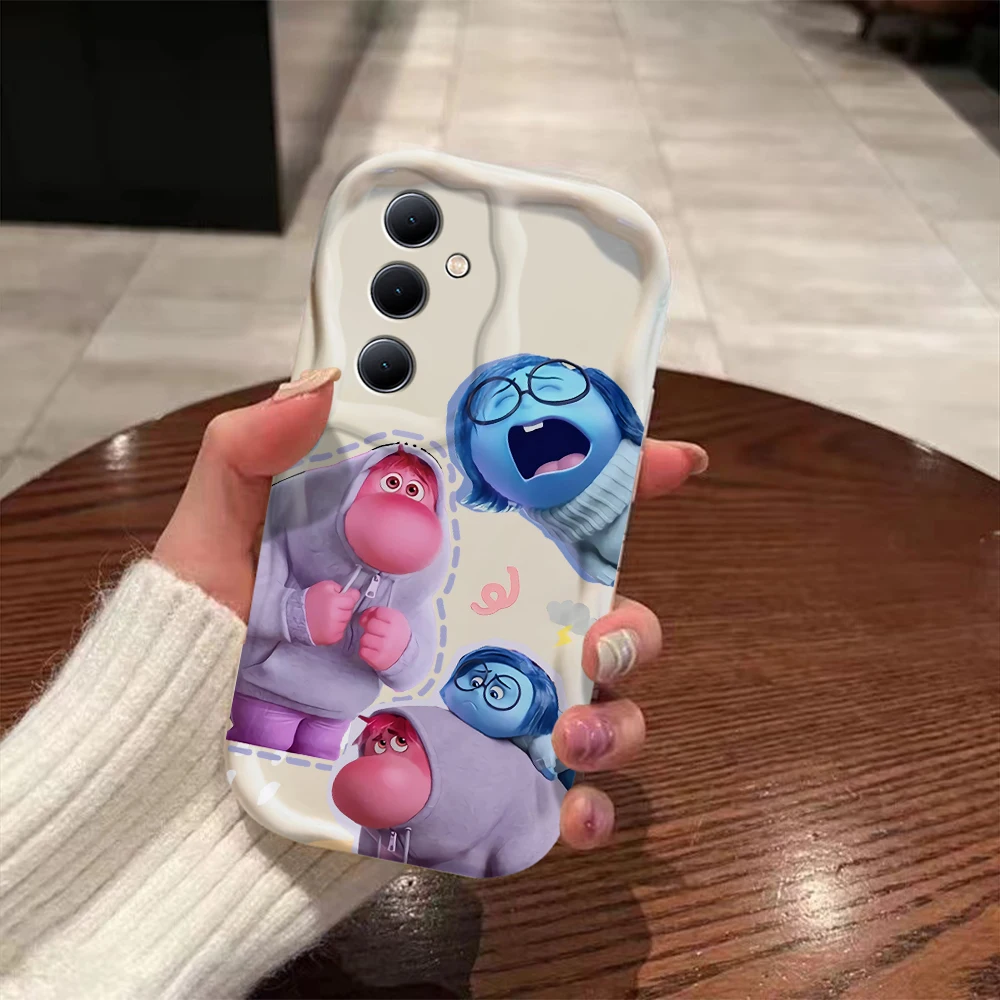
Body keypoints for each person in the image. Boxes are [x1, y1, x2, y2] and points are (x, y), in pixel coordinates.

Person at [0, 367, 708, 998]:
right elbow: (273, 606)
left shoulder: (419, 595)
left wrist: (402, 656)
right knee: (283, 748)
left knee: (324, 767)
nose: (402, 496)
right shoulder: (296, 550)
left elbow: (415, 664)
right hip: (273, 690)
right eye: (391, 483)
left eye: (416, 490)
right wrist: (294, 615)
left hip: (340, 716)